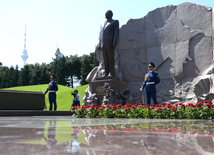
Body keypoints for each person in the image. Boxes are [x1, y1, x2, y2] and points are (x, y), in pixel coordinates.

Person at [97, 10, 119, 77]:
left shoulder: (115, 22)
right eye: (105, 13)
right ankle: (106, 72)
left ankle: (111, 73)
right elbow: (100, 34)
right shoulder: (102, 24)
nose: (106, 14)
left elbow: (116, 33)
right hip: (103, 44)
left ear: (111, 14)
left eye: (107, 13)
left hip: (110, 43)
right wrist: (99, 43)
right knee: (105, 59)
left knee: (111, 59)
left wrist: (115, 42)